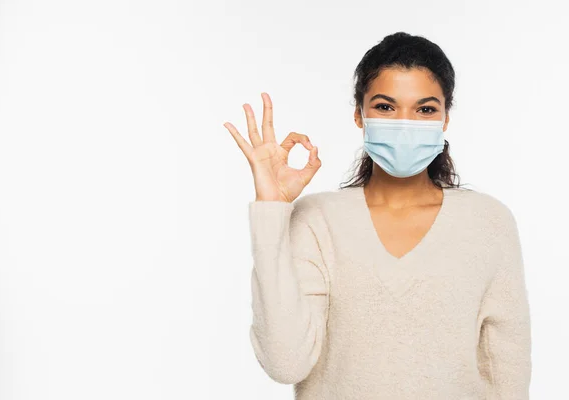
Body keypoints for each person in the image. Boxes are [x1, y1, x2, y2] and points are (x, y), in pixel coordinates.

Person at [223, 31, 531, 400]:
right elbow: (285, 362)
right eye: (386, 107)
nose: (405, 123)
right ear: (359, 114)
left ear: (445, 118)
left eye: (425, 109)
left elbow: (507, 374)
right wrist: (271, 209)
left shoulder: (488, 222)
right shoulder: (316, 219)